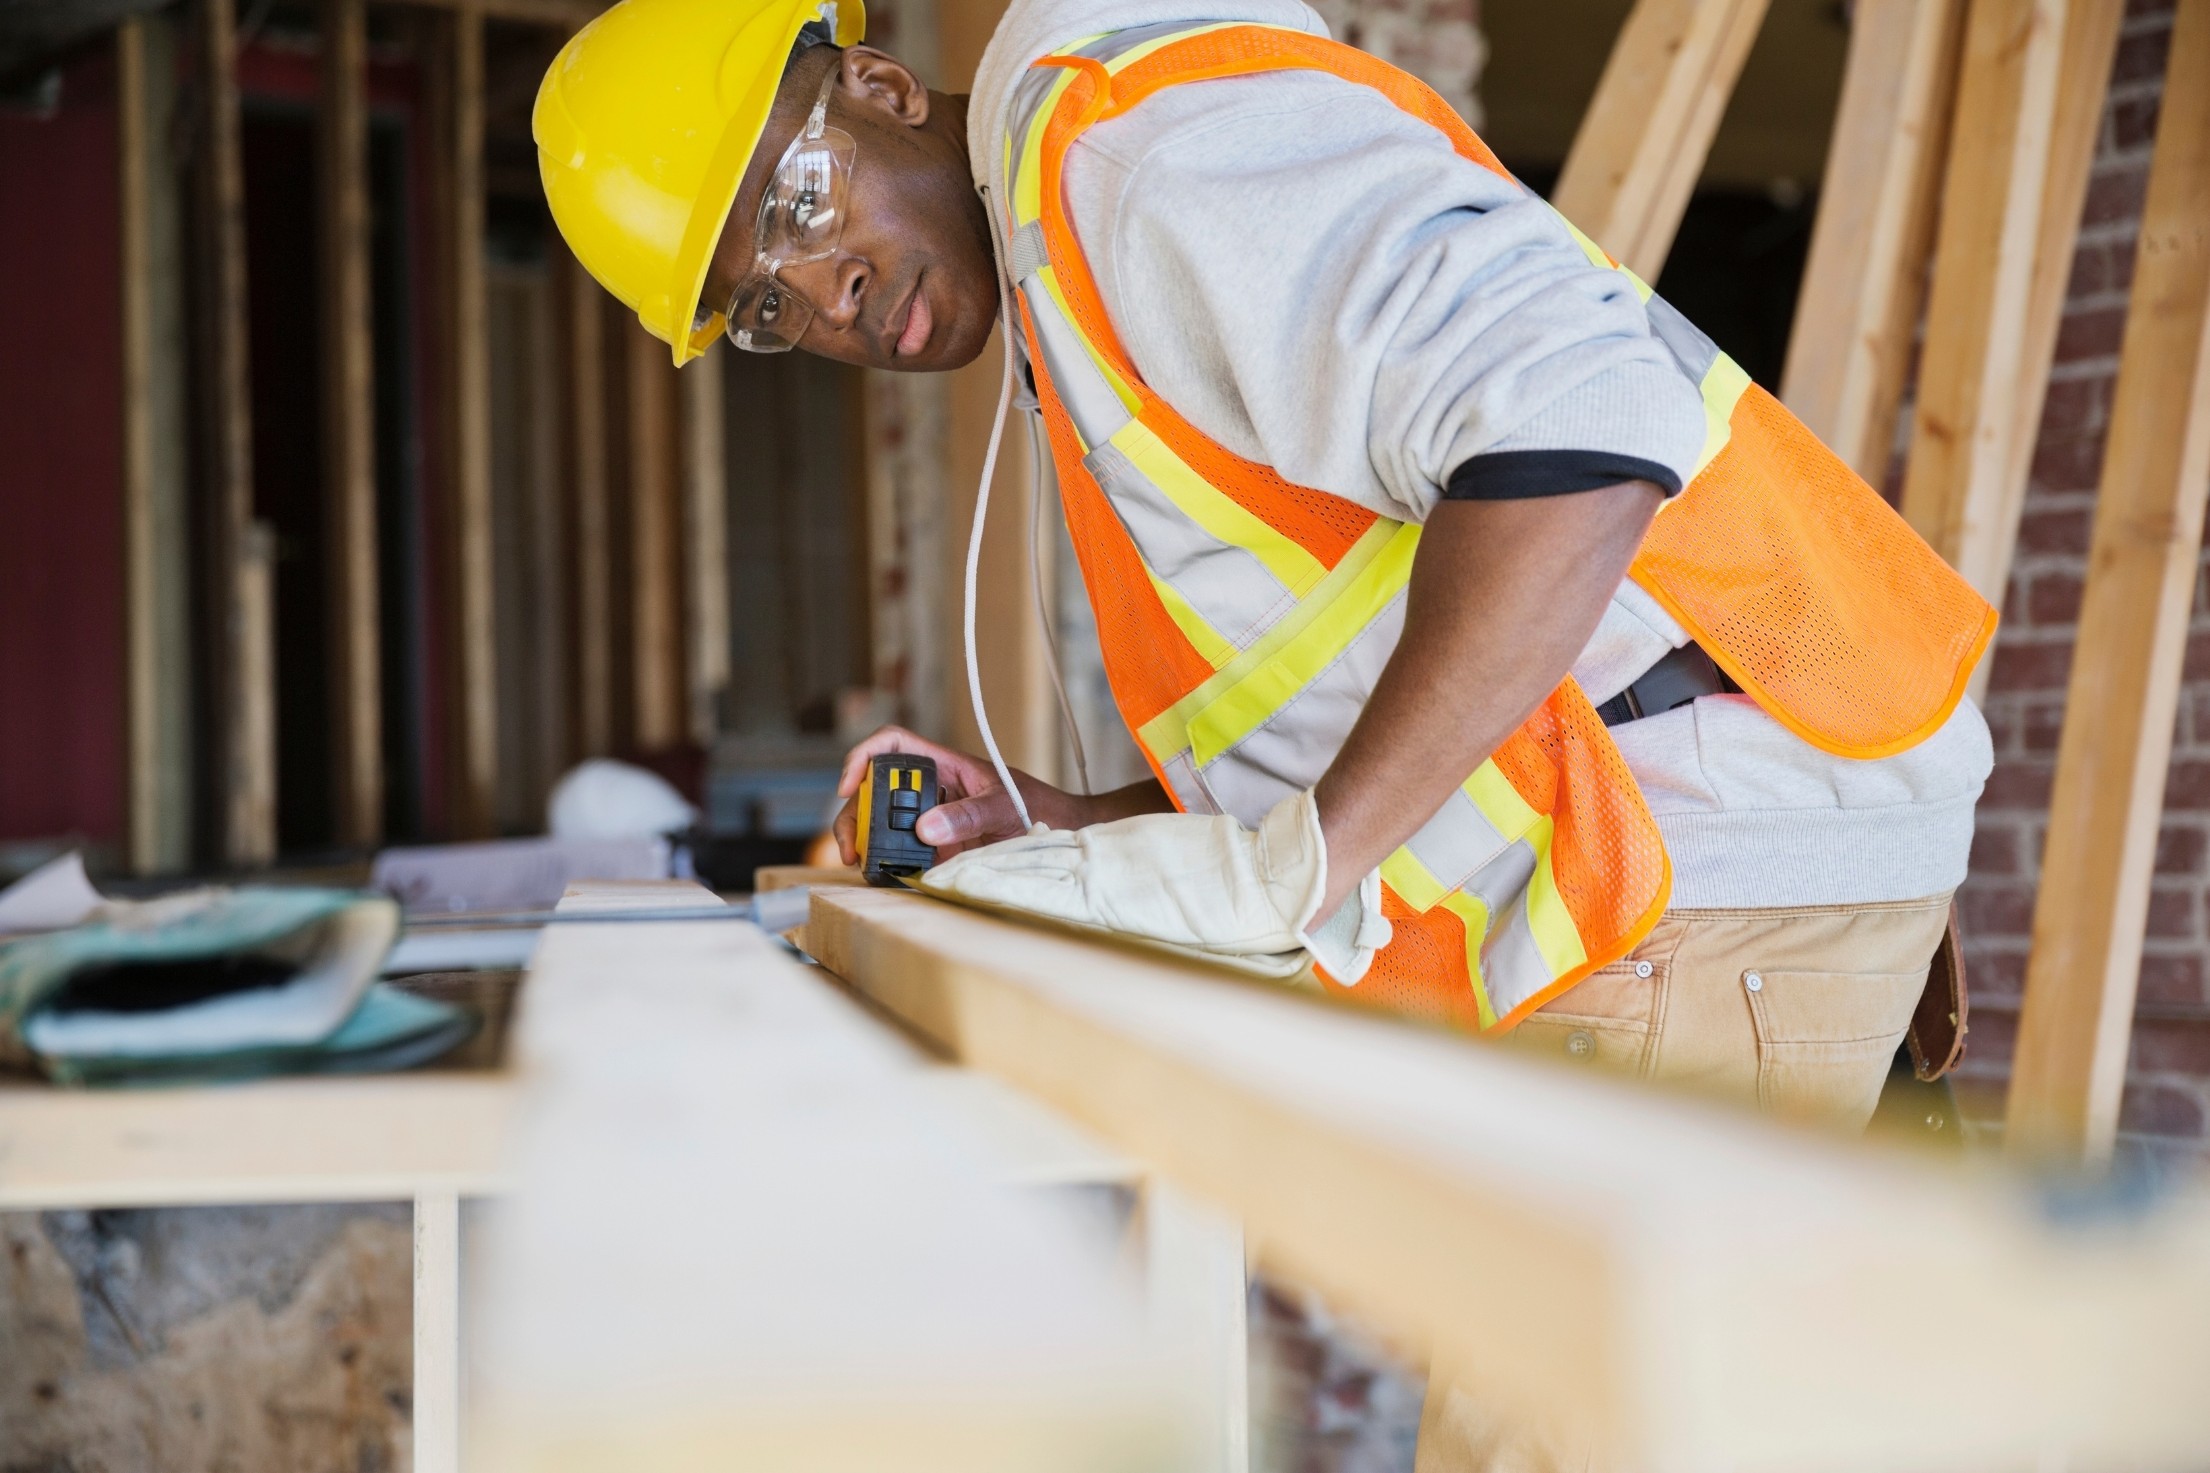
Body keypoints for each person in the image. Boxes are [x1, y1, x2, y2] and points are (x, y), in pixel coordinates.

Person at [535, 1, 1993, 1457]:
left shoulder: (1134, 163)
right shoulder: (1066, 241)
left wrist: (1306, 860)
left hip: (1696, 879)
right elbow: (1338, 658)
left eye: (798, 201)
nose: (827, 288)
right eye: (770, 306)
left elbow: (1579, 428)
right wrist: (1081, 822)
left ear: (875, 86)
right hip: (1683, 877)